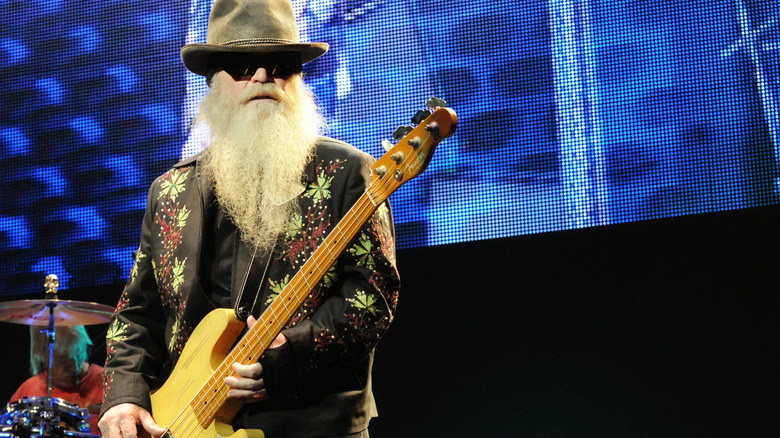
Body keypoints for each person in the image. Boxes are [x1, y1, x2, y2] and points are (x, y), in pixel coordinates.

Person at [98, 0, 399, 437]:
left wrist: (290, 352)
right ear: (213, 83)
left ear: (298, 78)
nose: (262, 76)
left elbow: (375, 295)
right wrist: (123, 396)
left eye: (279, 65)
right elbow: (139, 314)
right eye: (242, 66)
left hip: (312, 423)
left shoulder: (349, 174)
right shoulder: (170, 192)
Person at [10, 325, 104, 433]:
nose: (74, 367)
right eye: (63, 360)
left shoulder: (110, 382)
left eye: (78, 355)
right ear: (41, 353)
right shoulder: (28, 391)